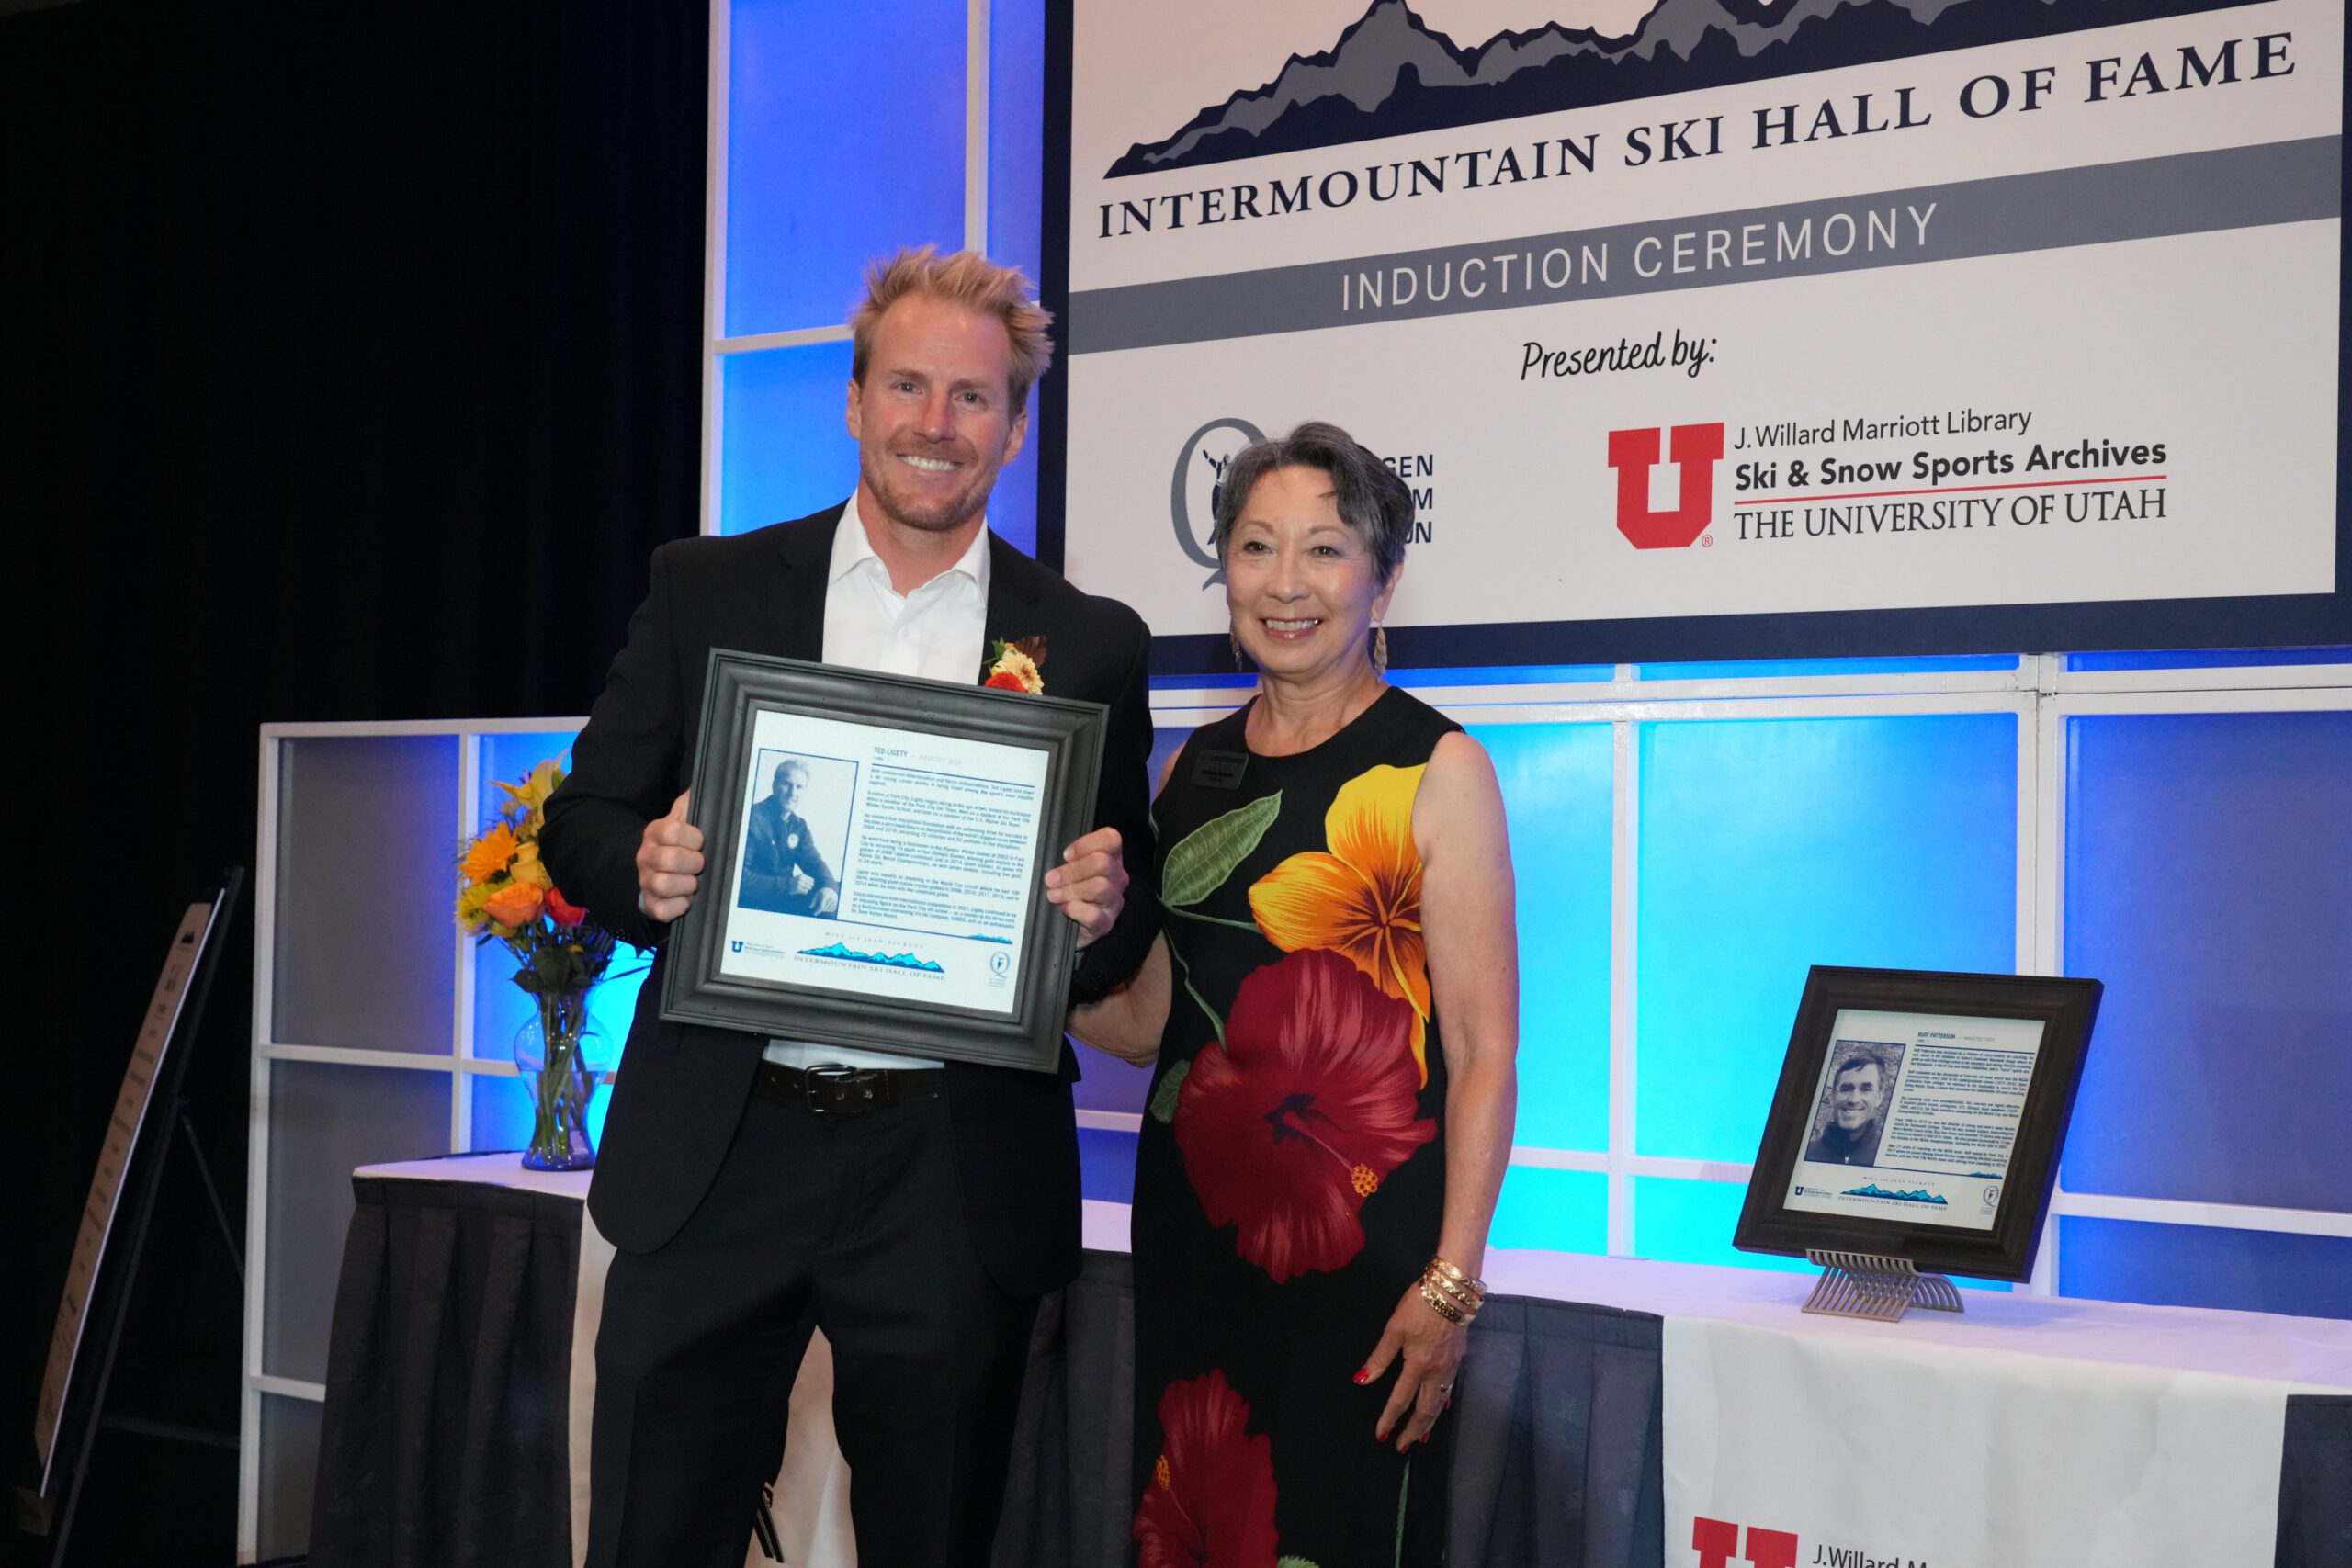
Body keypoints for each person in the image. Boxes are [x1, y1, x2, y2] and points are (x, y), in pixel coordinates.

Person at [539, 247, 1158, 1568]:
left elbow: (1133, 899)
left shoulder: (1088, 636)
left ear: (1017, 424)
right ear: (854, 398)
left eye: (974, 398)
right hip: (720, 1146)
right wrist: (640, 869)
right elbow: (580, 818)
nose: (938, 424)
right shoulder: (708, 586)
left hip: (950, 1165)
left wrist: (1103, 903)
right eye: (908, 386)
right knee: (652, 1533)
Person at [1070, 422, 1519, 1566]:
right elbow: (1149, 1027)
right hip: (1195, 1248)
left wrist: (1452, 1285)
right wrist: (1020, 961)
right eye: (1256, 547)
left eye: (1323, 550)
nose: (1285, 584)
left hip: (1366, 1266)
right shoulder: (1193, 767)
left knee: (1337, 1532)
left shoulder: (1439, 769)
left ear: (1383, 577)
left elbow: (1482, 1051)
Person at [737, 758, 838, 917]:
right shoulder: (752, 817)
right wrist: (786, 885)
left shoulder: (799, 826)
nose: (793, 793)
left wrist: (829, 888)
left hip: (782, 900)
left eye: (799, 787)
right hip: (753, 902)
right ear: (774, 784)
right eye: (787, 784)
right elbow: (738, 877)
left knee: (828, 905)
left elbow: (814, 862)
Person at [1804, 1051, 1890, 1167]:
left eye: (1866, 1089)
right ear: (1832, 1096)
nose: (1854, 1099)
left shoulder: (1889, 1155)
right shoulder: (1807, 1152)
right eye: (1846, 1089)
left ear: (1879, 1097)